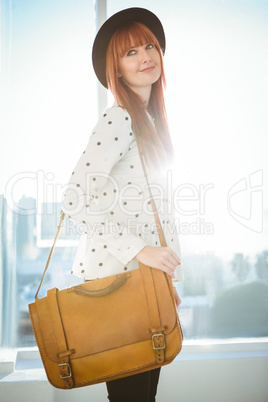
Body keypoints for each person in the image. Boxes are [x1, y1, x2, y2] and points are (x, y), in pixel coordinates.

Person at [62, 7, 183, 402]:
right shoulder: (119, 119)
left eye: (150, 46)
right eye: (130, 52)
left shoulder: (149, 122)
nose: (145, 56)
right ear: (115, 67)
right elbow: (74, 198)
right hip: (117, 282)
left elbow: (152, 211)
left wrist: (161, 276)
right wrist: (140, 251)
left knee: (142, 395)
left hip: (142, 281)